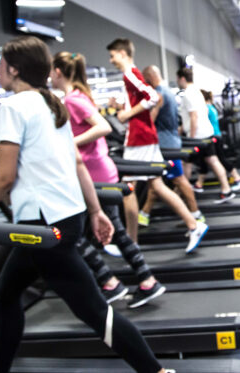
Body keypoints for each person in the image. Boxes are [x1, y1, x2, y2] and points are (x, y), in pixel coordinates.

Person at [0, 36, 165, 373]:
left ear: (14, 69)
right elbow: (75, 161)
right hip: (65, 217)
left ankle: (154, 370)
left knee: (93, 311)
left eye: (1, 65)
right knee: (6, 291)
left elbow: (3, 176)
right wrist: (96, 211)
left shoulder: (12, 108)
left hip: (43, 226)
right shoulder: (51, 101)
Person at [51, 51, 165, 307]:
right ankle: (144, 280)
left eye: (51, 71)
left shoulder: (71, 100)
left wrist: (67, 144)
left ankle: (110, 282)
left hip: (92, 174)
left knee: (73, 234)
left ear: (58, 72)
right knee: (113, 231)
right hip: (99, 170)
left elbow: (103, 127)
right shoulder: (79, 96)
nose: (49, 76)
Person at [106, 38, 207, 252]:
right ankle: (193, 224)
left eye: (113, 55)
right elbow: (140, 102)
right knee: (157, 186)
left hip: (140, 138)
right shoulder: (132, 76)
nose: (111, 59)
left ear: (123, 54)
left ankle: (131, 244)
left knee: (128, 188)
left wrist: (126, 114)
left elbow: (151, 96)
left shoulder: (130, 73)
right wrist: (121, 107)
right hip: (145, 136)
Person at [136, 65, 203, 227]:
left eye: (146, 80)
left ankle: (196, 215)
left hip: (166, 146)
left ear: (150, 77)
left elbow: (149, 122)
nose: (145, 83)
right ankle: (144, 214)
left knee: (178, 180)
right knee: (155, 182)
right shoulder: (168, 92)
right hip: (170, 141)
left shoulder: (158, 94)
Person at [176, 67, 236, 203]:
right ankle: (226, 189)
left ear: (182, 79)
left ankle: (182, 193)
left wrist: (190, 137)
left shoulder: (187, 94)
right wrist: (181, 128)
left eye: (177, 79)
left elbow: (194, 116)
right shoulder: (197, 92)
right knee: (212, 160)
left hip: (197, 135)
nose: (177, 81)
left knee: (187, 163)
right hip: (206, 132)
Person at [192, 89, 240, 193]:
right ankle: (199, 184)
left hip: (213, 137)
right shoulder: (211, 107)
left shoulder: (206, 108)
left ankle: (237, 177)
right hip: (216, 135)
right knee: (205, 160)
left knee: (220, 159)